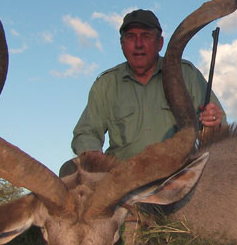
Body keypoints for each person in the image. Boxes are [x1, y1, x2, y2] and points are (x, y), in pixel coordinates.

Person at [70, 9, 226, 166]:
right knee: (69, 170)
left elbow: (219, 128)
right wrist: (95, 157)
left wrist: (213, 122)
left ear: (160, 43)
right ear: (122, 44)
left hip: (176, 173)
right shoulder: (107, 84)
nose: (138, 44)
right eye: (131, 37)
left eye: (146, 36)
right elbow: (86, 133)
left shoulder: (186, 74)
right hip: (122, 177)